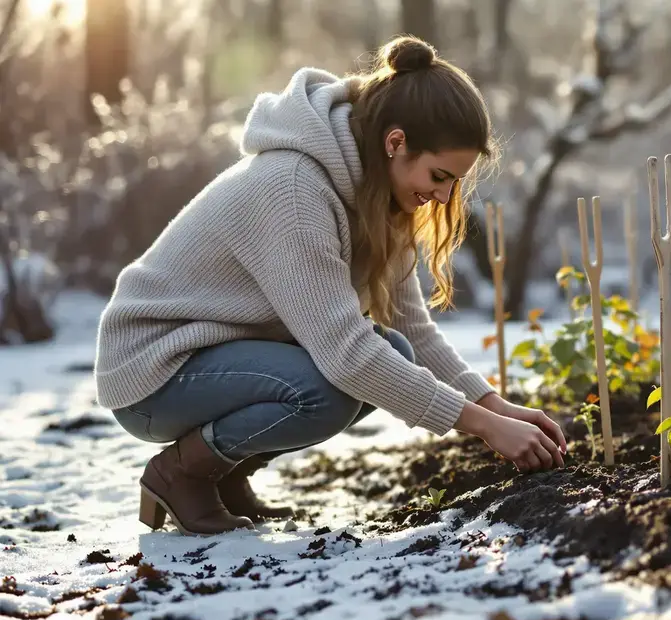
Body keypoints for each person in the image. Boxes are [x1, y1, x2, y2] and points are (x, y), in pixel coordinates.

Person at [94, 36, 567, 537]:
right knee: (328, 389)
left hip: (216, 355)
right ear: (395, 142)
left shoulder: (382, 195)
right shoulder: (293, 189)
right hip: (153, 369)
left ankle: (224, 473)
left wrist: (494, 404)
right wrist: (482, 426)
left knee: (396, 351)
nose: (445, 195)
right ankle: (180, 473)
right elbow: (346, 353)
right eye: (439, 175)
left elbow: (413, 330)